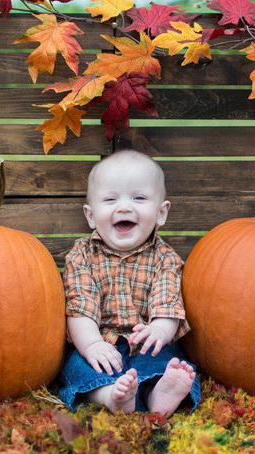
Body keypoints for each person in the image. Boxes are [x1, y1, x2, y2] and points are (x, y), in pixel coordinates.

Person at [58, 150, 201, 417]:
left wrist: (158, 331)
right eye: (111, 199)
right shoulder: (81, 256)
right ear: (90, 215)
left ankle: (159, 394)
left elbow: (167, 305)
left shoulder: (165, 258)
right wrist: (92, 346)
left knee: (168, 361)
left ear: (161, 213)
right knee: (77, 366)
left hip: (147, 341)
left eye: (139, 198)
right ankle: (111, 396)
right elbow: (80, 309)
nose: (124, 207)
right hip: (99, 342)